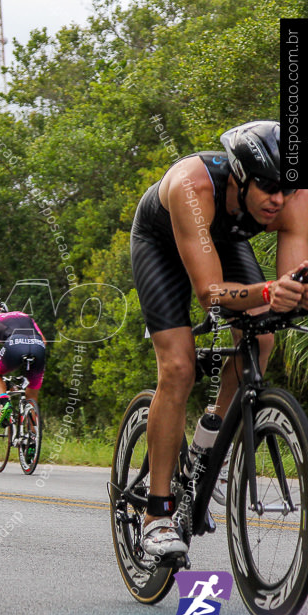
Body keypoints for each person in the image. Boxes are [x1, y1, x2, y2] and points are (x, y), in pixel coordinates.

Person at [130, 120, 308, 556]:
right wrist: (270, 291)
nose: (278, 199)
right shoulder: (194, 186)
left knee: (263, 338)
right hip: (161, 243)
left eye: (286, 188)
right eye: (267, 187)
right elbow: (211, 293)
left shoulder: (294, 197)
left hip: (221, 240)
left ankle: (208, 454)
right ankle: (156, 514)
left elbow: (291, 287)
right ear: (241, 178)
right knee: (178, 367)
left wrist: (292, 294)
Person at [0, 299, 46, 423]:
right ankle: (33, 439)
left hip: (14, 345)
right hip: (38, 347)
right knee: (31, 398)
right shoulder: (25, 316)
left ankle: (5, 402)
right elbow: (44, 341)